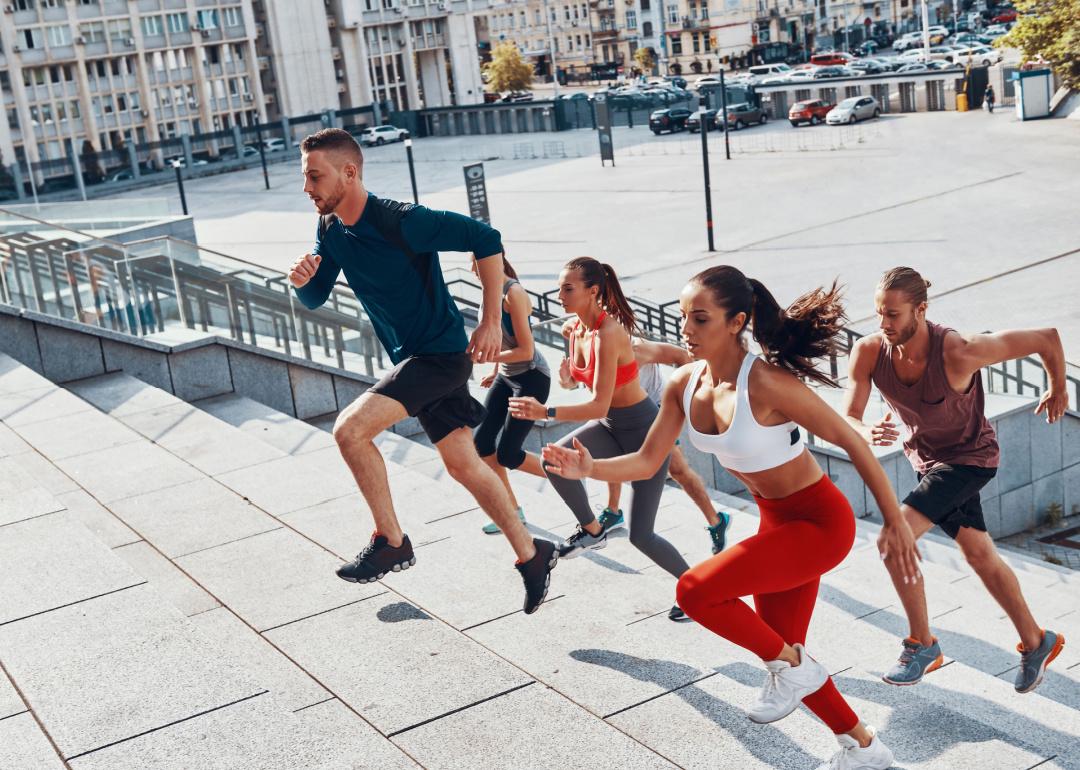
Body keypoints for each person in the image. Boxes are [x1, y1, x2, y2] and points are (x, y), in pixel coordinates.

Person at [544, 266, 913, 770]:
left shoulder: (766, 384)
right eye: (683, 317)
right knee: (785, 654)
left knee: (696, 592)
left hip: (820, 524)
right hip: (775, 523)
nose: (686, 329)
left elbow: (851, 442)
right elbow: (648, 462)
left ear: (736, 321)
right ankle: (865, 748)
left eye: (700, 319)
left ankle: (795, 670)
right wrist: (591, 467)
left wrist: (894, 521)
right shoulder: (683, 382)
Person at [288, 128, 557, 614]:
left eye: (314, 176)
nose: (307, 188)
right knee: (464, 465)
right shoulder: (331, 230)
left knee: (350, 431)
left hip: (438, 357)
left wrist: (491, 320)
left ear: (349, 172)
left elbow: (486, 238)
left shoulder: (402, 221)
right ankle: (533, 554)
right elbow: (316, 294)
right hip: (414, 359)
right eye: (305, 177)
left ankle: (392, 541)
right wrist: (302, 283)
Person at [843, 266, 1067, 693]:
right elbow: (849, 416)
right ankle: (1036, 641)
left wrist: (1058, 387)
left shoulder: (959, 351)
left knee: (894, 540)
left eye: (893, 315)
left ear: (920, 310)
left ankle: (922, 644)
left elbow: (1046, 337)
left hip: (970, 460)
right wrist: (865, 428)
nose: (884, 325)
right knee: (979, 556)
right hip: (928, 464)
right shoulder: (870, 352)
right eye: (879, 314)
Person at [508, 257, 692, 622]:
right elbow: (578, 382)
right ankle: (593, 530)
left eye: (567, 288)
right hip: (611, 426)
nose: (559, 295)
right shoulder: (574, 329)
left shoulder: (611, 333)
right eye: (560, 287)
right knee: (553, 461)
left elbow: (597, 403)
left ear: (593, 291)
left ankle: (698, 591)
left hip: (644, 432)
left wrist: (544, 412)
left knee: (643, 536)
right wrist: (565, 378)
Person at [583, 333, 732, 555]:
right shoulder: (589, 345)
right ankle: (613, 511)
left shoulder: (639, 349)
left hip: (654, 413)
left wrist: (690, 396)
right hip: (618, 412)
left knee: (678, 470)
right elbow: (572, 381)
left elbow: (681, 355)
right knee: (610, 455)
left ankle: (715, 520)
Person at [470, 254, 552, 535]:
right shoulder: (489, 294)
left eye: (477, 264)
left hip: (532, 377)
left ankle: (568, 475)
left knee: (508, 453)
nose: (473, 270)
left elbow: (526, 351)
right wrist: (494, 366)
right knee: (481, 443)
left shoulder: (513, 294)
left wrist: (485, 356)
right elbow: (495, 335)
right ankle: (512, 512)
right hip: (507, 375)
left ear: (495, 263)